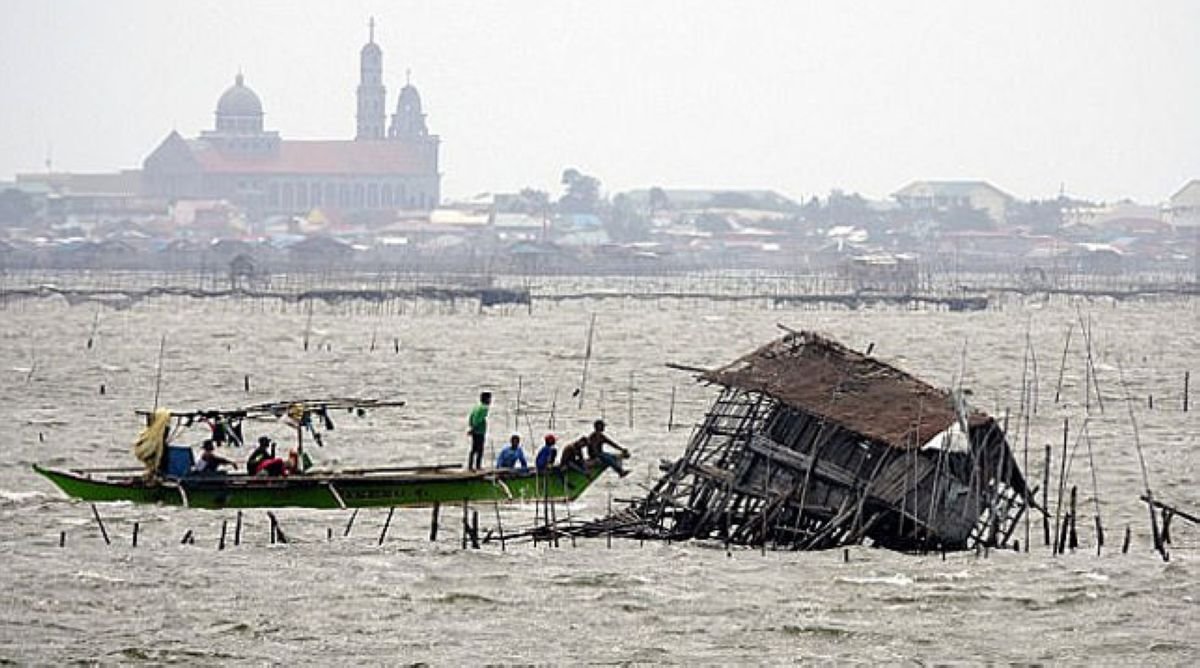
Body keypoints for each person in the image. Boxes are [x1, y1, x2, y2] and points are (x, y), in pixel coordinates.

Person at [466, 391, 492, 471]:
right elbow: (478, 419)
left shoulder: (477, 407)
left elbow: (471, 417)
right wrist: (474, 428)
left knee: (473, 449)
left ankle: (470, 466)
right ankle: (478, 466)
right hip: (479, 431)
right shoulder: (484, 408)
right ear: (486, 399)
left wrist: (471, 427)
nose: (490, 401)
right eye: (489, 399)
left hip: (475, 431)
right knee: (480, 449)